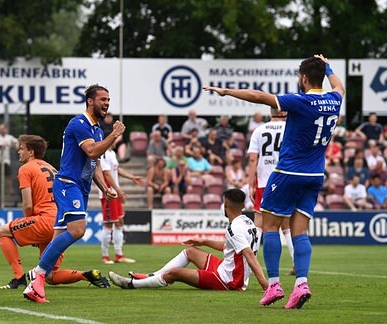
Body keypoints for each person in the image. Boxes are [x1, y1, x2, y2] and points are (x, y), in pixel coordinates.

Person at [204, 54, 344, 309]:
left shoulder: (301, 101)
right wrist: (328, 67)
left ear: (303, 78)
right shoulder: (334, 99)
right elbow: (339, 86)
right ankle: (301, 283)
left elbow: (259, 96)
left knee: (269, 228)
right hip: (314, 175)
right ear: (322, 76)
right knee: (299, 231)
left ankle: (275, 285)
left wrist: (225, 91)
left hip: (288, 172)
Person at [23, 84, 125, 303]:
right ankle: (37, 276)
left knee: (58, 240)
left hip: (81, 188)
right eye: (102, 99)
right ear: (90, 101)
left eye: (108, 99)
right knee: (78, 230)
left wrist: (104, 187)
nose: (107, 103)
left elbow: (94, 162)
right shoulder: (79, 123)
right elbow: (92, 150)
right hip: (68, 184)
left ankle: (39, 279)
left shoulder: (97, 130)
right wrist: (114, 135)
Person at [0, 135, 109, 290]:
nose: (18, 151)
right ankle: (86, 275)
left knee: (2, 231)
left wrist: (31, 226)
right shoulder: (52, 168)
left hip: (43, 221)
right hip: (60, 224)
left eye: (22, 148)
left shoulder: (25, 169)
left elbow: (28, 205)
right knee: (48, 275)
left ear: (31, 152)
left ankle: (18, 278)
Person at [108, 188, 268, 292]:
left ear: (225, 204)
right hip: (226, 270)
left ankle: (131, 284)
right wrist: (203, 241)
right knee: (191, 251)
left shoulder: (235, 227)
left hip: (229, 281)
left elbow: (249, 254)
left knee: (175, 273)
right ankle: (152, 275)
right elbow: (228, 247)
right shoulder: (246, 221)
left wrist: (265, 285)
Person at [247, 110, 295, 274]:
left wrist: (250, 183)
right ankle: (297, 262)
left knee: (259, 221)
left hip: (264, 181)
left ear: (270, 112)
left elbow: (253, 159)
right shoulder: (291, 128)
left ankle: (250, 264)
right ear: (284, 112)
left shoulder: (259, 130)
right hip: (285, 178)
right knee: (287, 223)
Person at [99, 139, 145, 264]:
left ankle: (119, 254)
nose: (118, 140)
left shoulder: (112, 153)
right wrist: (118, 191)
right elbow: (107, 175)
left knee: (119, 222)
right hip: (108, 192)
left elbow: (116, 170)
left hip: (115, 191)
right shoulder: (102, 154)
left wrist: (132, 177)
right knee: (109, 224)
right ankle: (105, 256)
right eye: (116, 137)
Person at [0, 123, 18, 205]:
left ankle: (10, 189)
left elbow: (16, 142)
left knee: (8, 175)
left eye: (3, 128)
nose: (2, 130)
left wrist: (15, 146)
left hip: (6, 160)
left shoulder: (9, 137)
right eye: (1, 129)